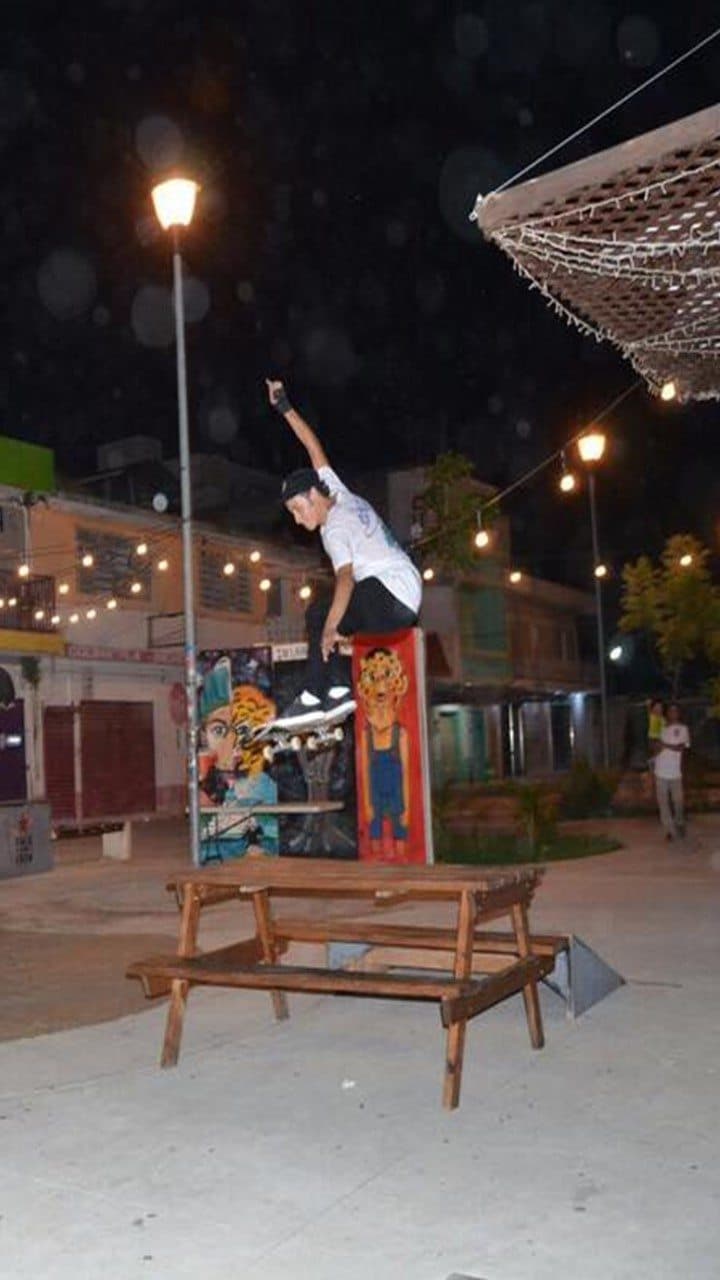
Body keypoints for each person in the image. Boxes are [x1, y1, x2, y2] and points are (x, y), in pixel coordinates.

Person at [267, 378, 422, 729]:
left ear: (313, 496)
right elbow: (312, 446)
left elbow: (345, 578)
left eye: (298, 509)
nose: (297, 519)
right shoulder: (338, 492)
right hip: (404, 595)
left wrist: (330, 629)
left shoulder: (335, 528)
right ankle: (338, 690)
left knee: (320, 614)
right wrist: (284, 406)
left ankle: (312, 696)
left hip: (389, 595)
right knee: (330, 616)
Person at [654, 703, 690, 841]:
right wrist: (658, 746)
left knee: (678, 801)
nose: (673, 713)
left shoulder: (683, 729)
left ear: (679, 713)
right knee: (663, 803)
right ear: (667, 713)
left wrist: (665, 745)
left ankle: (679, 822)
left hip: (675, 773)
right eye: (670, 711)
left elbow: (681, 747)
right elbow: (655, 748)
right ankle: (669, 830)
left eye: (675, 711)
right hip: (660, 771)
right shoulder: (661, 729)